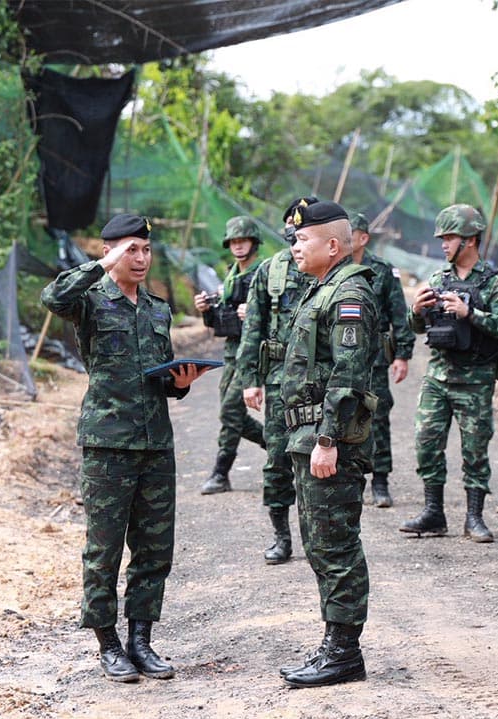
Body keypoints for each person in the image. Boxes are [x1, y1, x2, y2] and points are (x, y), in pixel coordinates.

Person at [41, 213, 205, 683]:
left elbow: (162, 374)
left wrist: (182, 384)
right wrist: (100, 265)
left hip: (156, 443)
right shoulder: (89, 301)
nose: (140, 259)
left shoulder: (157, 309)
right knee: (104, 550)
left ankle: (141, 641)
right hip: (109, 444)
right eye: (130, 250)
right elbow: (53, 297)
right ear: (111, 252)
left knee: (154, 550)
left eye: (145, 250)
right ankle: (108, 645)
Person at [276, 200, 380, 687]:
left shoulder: (348, 294)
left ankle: (344, 652)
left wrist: (327, 439)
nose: (294, 247)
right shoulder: (321, 289)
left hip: (330, 440)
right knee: (319, 543)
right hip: (310, 436)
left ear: (332, 245)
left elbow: (349, 373)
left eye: (303, 240)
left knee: (335, 544)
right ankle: (335, 644)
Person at [401, 204, 498, 544]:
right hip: (437, 377)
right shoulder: (438, 279)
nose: (443, 244)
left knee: (476, 450)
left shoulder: (493, 283)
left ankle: (474, 518)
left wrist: (471, 313)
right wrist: (416, 310)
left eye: (449, 237)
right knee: (426, 443)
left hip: (475, 380)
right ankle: (433, 512)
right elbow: (417, 327)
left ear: (470, 240)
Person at [236, 198, 317, 565]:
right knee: (277, 459)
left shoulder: (333, 271)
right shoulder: (270, 272)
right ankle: (281, 536)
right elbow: (252, 328)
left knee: (322, 458)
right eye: (290, 225)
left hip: (323, 380)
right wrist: (250, 378)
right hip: (281, 380)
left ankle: (321, 537)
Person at [195, 215, 266, 495]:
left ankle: (220, 472)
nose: (238, 246)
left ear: (253, 242)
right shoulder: (231, 273)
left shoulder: (263, 272)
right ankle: (278, 447)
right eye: (233, 242)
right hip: (231, 350)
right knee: (230, 413)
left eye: (243, 241)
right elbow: (220, 322)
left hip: (252, 350)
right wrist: (207, 310)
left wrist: (255, 313)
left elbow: (281, 314)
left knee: (229, 411)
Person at [350, 211, 414, 508]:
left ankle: (380, 481)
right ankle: (351, 480)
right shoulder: (330, 270)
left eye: (349, 233)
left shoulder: (383, 270)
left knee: (377, 417)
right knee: (343, 416)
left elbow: (400, 315)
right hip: (339, 358)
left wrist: (402, 354)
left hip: (374, 357)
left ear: (363, 238)